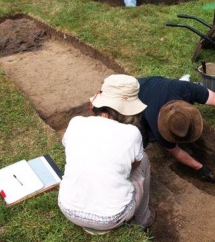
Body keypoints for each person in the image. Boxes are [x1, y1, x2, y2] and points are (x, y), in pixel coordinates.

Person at [58, 74, 155, 235]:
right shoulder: (132, 133)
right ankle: (143, 220)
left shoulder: (76, 122)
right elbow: (134, 166)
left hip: (68, 208)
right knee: (143, 159)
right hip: (111, 218)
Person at [138, 76, 215, 183]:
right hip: (137, 91)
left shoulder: (185, 88)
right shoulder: (156, 122)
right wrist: (199, 167)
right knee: (143, 134)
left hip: (158, 83)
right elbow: (175, 151)